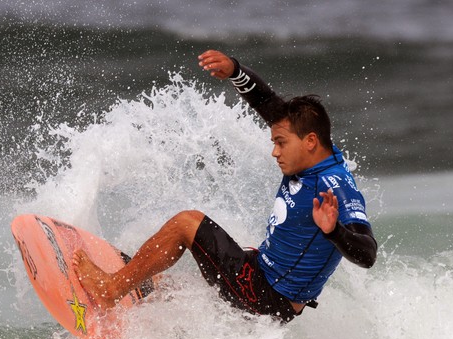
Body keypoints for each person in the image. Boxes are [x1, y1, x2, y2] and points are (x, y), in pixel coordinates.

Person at [72, 49, 377, 322]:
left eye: (281, 144)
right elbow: (270, 104)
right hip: (262, 276)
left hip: (266, 296)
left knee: (186, 224)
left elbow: (367, 255)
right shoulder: (317, 152)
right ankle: (150, 295)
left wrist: (333, 230)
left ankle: (110, 290)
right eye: (275, 142)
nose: (275, 151)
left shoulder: (335, 186)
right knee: (187, 284)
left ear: (310, 141)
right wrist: (236, 70)